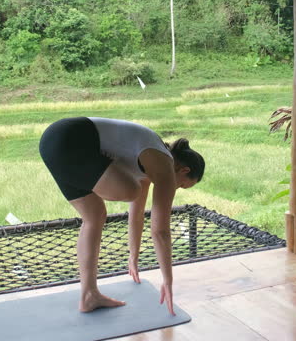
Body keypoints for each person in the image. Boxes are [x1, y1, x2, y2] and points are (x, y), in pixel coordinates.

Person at [38, 117, 205, 315]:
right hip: (71, 139)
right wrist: (168, 280)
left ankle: (89, 295)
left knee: (94, 215)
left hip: (54, 140)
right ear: (184, 170)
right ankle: (89, 294)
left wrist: (133, 257)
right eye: (183, 184)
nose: (176, 188)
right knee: (130, 190)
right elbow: (160, 230)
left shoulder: (149, 162)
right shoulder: (163, 163)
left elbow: (137, 214)